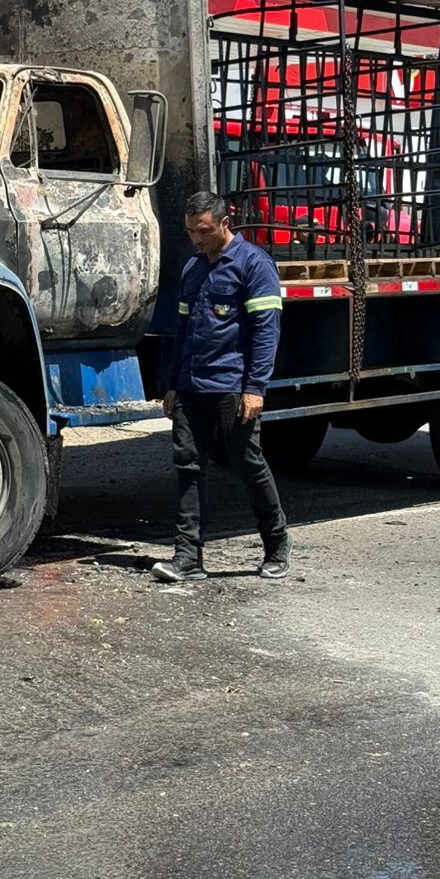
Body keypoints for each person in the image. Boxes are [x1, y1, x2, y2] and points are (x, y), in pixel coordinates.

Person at [152, 191, 289, 584]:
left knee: (247, 464)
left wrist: (255, 387)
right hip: (192, 386)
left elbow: (266, 333)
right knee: (188, 466)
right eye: (191, 232)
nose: (197, 239)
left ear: (224, 223)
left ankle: (277, 544)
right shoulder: (192, 267)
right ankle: (187, 558)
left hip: (232, 386)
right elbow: (182, 330)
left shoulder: (254, 265)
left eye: (204, 231)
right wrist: (173, 384)